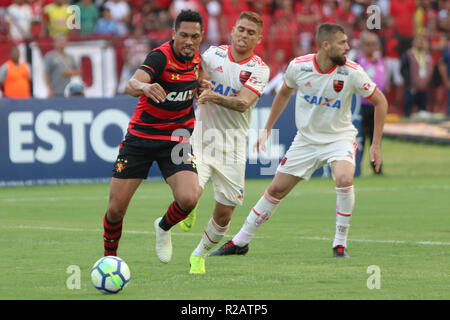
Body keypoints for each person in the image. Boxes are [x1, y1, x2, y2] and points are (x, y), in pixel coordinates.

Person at [209, 23, 388, 258]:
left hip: (339, 138)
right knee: (276, 189)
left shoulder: (352, 72)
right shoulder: (299, 66)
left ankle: (339, 244)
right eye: (342, 43)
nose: (347, 47)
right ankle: (241, 241)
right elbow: (283, 93)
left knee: (344, 178)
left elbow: (380, 101)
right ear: (326, 45)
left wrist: (375, 145)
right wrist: (267, 129)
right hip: (306, 140)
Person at [102, 9, 204, 264]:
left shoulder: (199, 58)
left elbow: (197, 79)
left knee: (189, 199)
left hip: (177, 138)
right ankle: (109, 261)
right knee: (115, 210)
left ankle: (163, 227)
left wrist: (204, 85)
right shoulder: (160, 57)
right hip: (141, 138)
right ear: (173, 34)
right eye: (183, 35)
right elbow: (130, 84)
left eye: (194, 36)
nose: (188, 41)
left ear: (201, 37)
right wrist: (145, 86)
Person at [184, 11, 270, 274]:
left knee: (224, 216)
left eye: (251, 32)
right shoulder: (212, 55)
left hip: (232, 147)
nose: (244, 35)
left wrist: (212, 96)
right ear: (233, 30)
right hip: (201, 138)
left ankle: (198, 255)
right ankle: (188, 207)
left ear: (258, 38)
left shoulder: (259, 69)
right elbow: (194, 70)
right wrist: (199, 82)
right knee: (189, 195)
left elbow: (243, 103)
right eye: (241, 30)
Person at [356, 31, 386, 175]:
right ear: (362, 46)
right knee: (360, 138)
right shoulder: (357, 61)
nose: (372, 47)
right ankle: (356, 168)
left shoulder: (380, 61)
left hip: (376, 107)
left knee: (376, 138)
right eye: (368, 44)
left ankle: (376, 168)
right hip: (362, 106)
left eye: (374, 44)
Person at [400, 34, 434, 118]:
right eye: (418, 40)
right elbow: (402, 69)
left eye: (422, 40)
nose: (420, 42)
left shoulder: (427, 55)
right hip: (412, 87)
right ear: (413, 42)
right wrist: (408, 80)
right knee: (408, 110)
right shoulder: (408, 54)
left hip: (424, 87)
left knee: (422, 111)